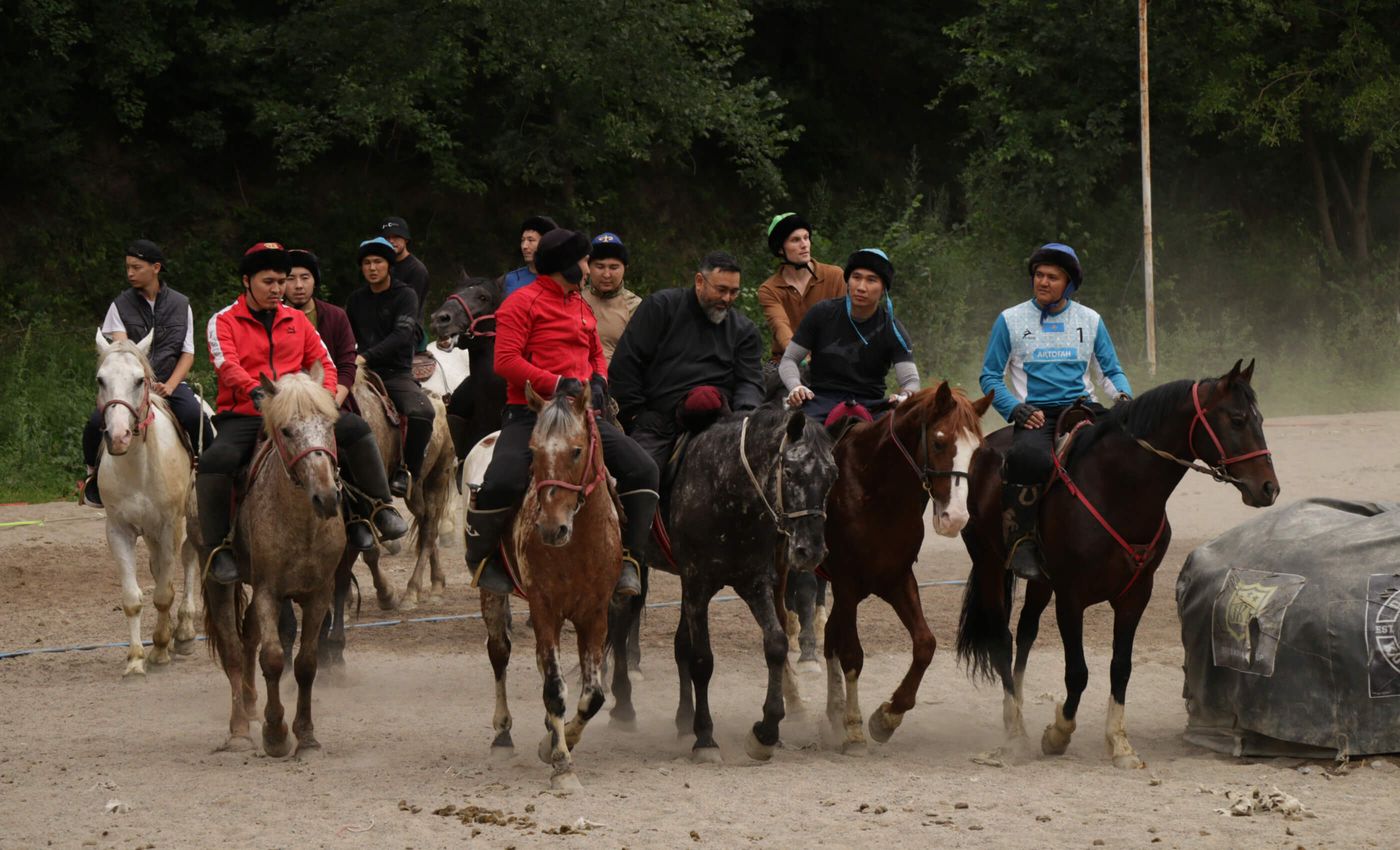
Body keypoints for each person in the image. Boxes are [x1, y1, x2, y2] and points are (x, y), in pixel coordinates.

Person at [465, 228, 659, 598]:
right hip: (531, 414)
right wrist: (556, 384)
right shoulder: (519, 304)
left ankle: (631, 560)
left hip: (583, 418)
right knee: (501, 481)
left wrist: (599, 379)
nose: (588, 269)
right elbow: (505, 362)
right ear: (565, 265)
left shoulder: (579, 303)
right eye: (585, 261)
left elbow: (594, 351)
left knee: (644, 469)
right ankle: (483, 558)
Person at [198, 242, 407, 585]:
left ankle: (379, 507)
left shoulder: (296, 320)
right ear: (247, 281)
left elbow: (324, 361)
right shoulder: (222, 321)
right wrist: (257, 390)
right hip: (248, 411)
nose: (278, 289)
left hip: (300, 411)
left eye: (281, 281)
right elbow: (225, 364)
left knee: (356, 430)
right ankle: (217, 547)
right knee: (214, 461)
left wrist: (320, 402)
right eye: (269, 282)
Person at [980, 243, 1133, 581]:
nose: (1043, 282)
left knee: (1127, 450)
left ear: (1069, 283)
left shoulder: (1090, 320)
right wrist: (1015, 409)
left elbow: (1110, 371)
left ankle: (1125, 533)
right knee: (1027, 458)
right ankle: (1022, 542)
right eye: (1038, 275)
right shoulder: (1010, 319)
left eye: (1052, 277)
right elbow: (990, 376)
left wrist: (1123, 396)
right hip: (1036, 414)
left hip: (1083, 408)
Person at [81, 240, 213, 508]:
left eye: (136, 267)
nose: (129, 273)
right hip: (129, 385)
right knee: (95, 423)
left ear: (156, 268)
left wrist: (172, 386)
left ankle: (210, 474)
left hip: (170, 383)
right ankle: (92, 478)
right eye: (127, 267)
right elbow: (121, 352)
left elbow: (187, 353)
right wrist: (142, 383)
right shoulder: (119, 305)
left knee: (195, 416)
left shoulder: (181, 304)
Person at [609, 250, 764, 475]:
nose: (727, 299)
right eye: (721, 290)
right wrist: (636, 414)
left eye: (733, 292)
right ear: (700, 281)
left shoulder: (744, 330)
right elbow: (627, 363)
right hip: (658, 422)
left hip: (723, 422)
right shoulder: (661, 307)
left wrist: (746, 419)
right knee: (639, 476)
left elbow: (750, 380)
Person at [780, 248, 920, 423]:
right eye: (856, 277)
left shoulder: (893, 329)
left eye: (871, 280)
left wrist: (905, 397)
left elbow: (911, 380)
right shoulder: (822, 313)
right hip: (819, 401)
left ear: (883, 287)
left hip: (871, 406)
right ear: (847, 280)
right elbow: (789, 359)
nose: (861, 287)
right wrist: (796, 387)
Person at [344, 236, 437, 497]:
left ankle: (408, 472)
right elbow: (346, 334)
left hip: (394, 372)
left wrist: (365, 357)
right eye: (367, 263)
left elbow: (402, 335)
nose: (372, 268)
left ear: (389, 265)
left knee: (422, 412)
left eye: (378, 262)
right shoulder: (355, 299)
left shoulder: (405, 294)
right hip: (357, 371)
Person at [755, 212, 847, 362]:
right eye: (795, 240)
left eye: (806, 237)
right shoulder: (769, 289)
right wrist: (802, 359)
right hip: (788, 361)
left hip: (832, 360)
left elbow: (845, 323)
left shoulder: (835, 276)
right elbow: (781, 327)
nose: (804, 244)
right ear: (780, 249)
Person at [581, 231, 643, 363]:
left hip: (616, 380)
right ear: (588, 267)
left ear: (625, 268)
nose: (607, 274)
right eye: (600, 266)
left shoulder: (636, 306)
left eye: (614, 267)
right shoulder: (575, 299)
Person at [380, 216, 430, 325]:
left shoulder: (417, 269)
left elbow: (411, 309)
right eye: (387, 237)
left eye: (396, 236)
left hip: (409, 330)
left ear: (406, 239)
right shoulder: (380, 265)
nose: (391, 241)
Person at [501, 215, 557, 299]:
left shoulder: (560, 279)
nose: (524, 246)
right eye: (523, 240)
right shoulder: (510, 279)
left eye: (530, 240)